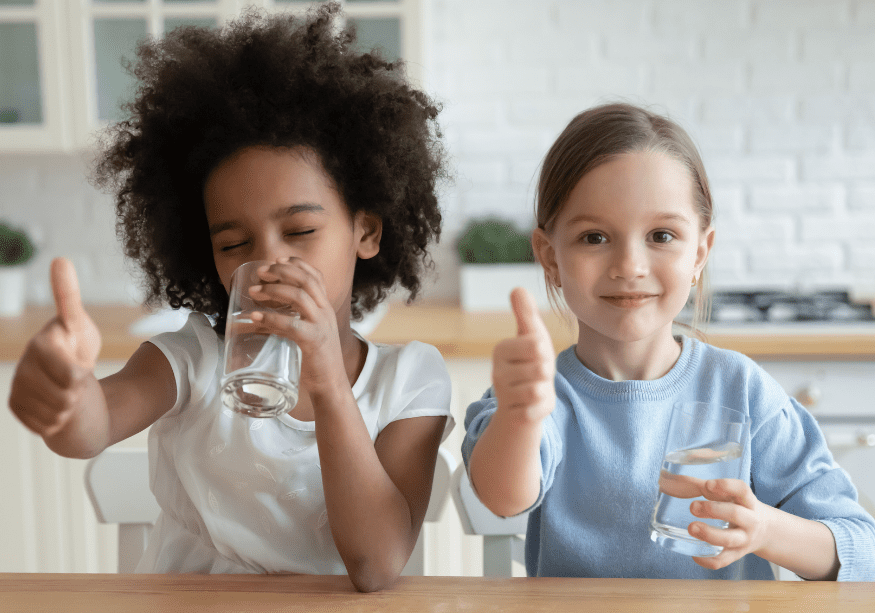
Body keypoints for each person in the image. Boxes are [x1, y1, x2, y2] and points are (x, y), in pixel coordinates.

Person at [8, 3, 453, 592]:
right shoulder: (194, 359)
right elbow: (93, 424)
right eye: (234, 242)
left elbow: (374, 565)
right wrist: (66, 395)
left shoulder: (410, 382)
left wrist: (323, 373)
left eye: (299, 232)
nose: (266, 263)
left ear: (366, 231)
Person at [461, 102, 875, 581]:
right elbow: (502, 497)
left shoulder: (742, 390)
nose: (630, 265)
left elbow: (862, 549)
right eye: (594, 237)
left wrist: (764, 530)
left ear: (699, 254)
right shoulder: (537, 397)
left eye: (661, 235)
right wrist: (518, 417)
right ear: (549, 257)